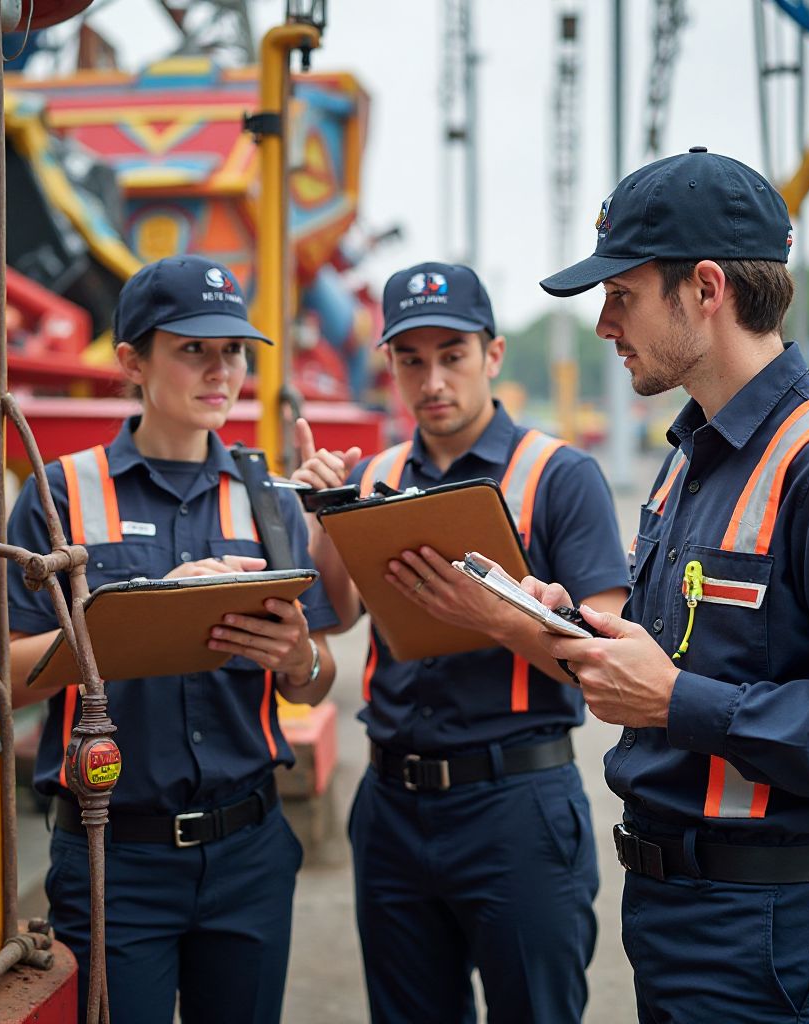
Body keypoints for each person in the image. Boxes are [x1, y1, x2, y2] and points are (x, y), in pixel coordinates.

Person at [526, 147, 809, 1023]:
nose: (606, 324)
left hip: (779, 934)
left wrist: (679, 701)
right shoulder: (693, 458)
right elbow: (681, 651)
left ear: (707, 288)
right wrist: (572, 622)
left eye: (622, 294)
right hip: (680, 917)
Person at [293, 261, 629, 1024]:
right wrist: (323, 516)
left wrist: (501, 619)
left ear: (494, 356)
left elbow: (609, 660)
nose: (432, 380)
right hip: (389, 806)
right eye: (412, 360)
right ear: (390, 365)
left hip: (514, 804)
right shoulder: (374, 475)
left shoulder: (560, 476)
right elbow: (337, 614)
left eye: (453, 356)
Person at [6, 255, 338, 1024]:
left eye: (232, 350)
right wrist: (147, 608)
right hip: (114, 857)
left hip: (250, 851)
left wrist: (299, 658)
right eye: (193, 348)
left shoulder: (270, 502)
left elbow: (311, 678)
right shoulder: (60, 495)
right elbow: (8, 681)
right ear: (131, 360)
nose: (220, 369)